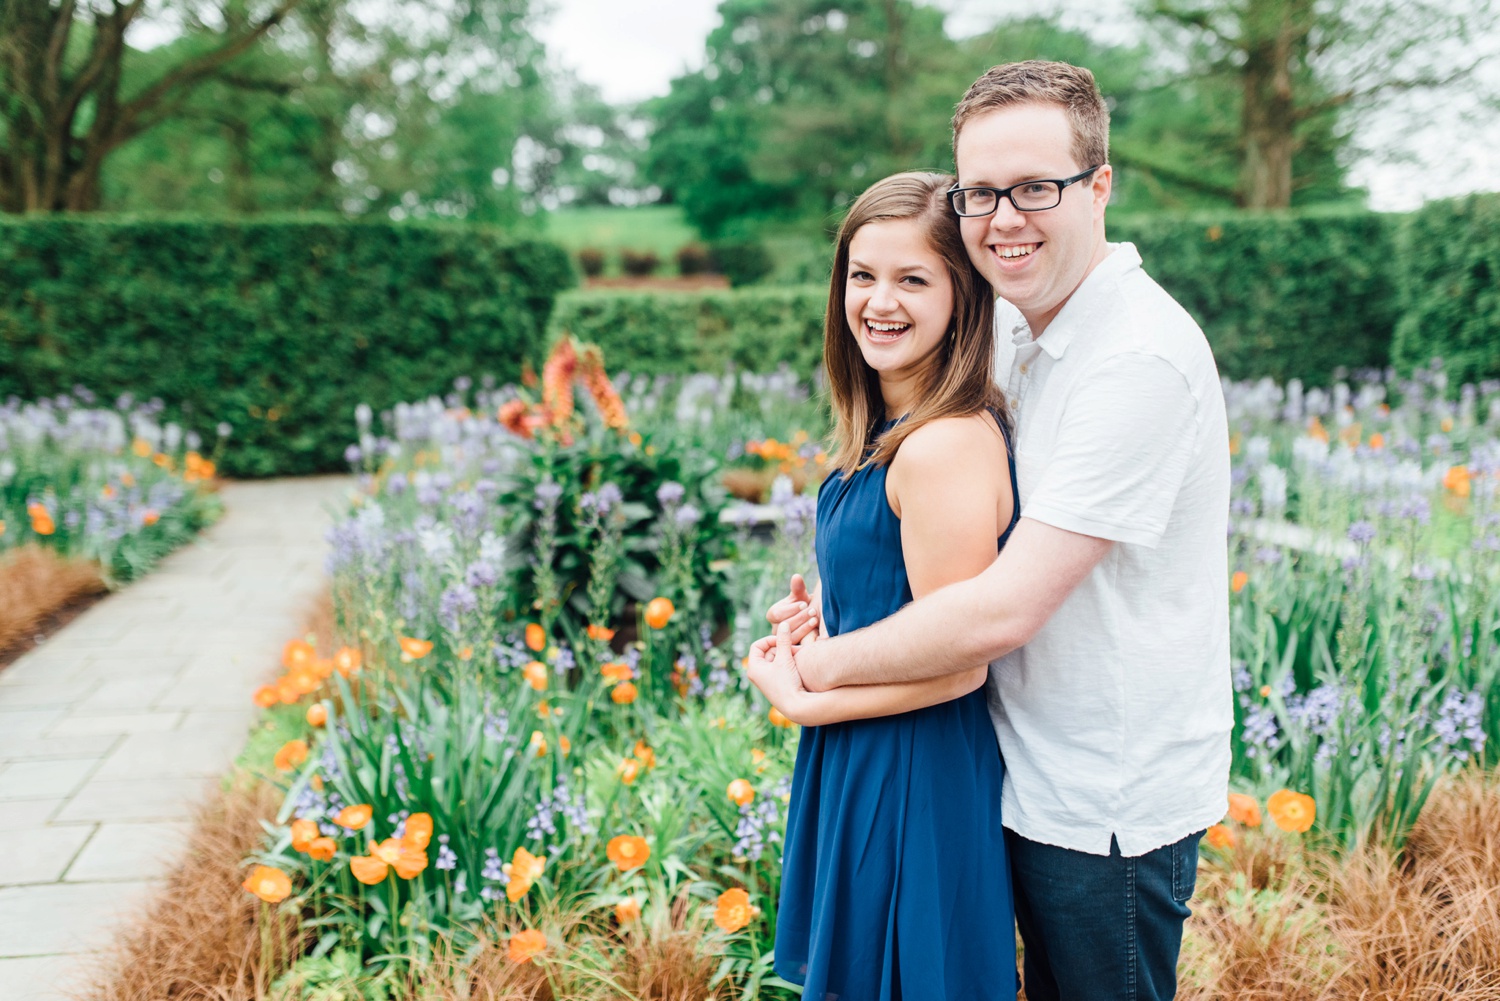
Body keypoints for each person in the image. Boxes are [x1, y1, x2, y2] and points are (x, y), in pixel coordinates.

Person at [752, 61, 1232, 1001]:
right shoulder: (1013, 324)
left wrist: (816, 674)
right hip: (1005, 766)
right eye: (981, 192)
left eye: (1035, 188)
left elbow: (998, 611)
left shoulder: (1136, 358)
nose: (1004, 217)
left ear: (1099, 186)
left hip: (1103, 801)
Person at [744, 170, 1020, 1000]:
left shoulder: (942, 445)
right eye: (862, 275)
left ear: (962, 295)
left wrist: (804, 697)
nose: (879, 301)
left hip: (914, 769)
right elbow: (904, 600)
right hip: (868, 752)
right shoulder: (891, 430)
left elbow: (959, 659)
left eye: (912, 278)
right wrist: (825, 617)